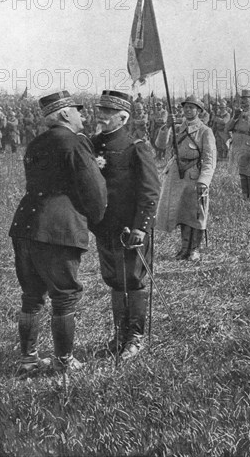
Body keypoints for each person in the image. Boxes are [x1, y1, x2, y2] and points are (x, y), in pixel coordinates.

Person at [9, 91, 107, 374]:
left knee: (31, 294)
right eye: (79, 111)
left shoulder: (36, 143)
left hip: (24, 225)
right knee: (64, 295)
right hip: (57, 229)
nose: (84, 115)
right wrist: (96, 220)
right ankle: (64, 361)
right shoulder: (74, 143)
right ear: (65, 114)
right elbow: (95, 191)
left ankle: (28, 359)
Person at [91, 90, 160, 360]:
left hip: (131, 229)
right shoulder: (93, 144)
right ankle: (119, 335)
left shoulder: (136, 146)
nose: (101, 116)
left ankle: (135, 338)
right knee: (114, 281)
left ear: (123, 117)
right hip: (105, 227)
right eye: (100, 110)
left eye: (107, 113)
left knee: (134, 279)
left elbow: (150, 191)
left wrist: (142, 227)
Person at [155, 95, 216, 261]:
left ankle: (195, 249)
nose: (188, 110)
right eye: (186, 107)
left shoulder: (205, 131)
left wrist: (204, 180)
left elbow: (209, 159)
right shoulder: (177, 128)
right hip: (177, 174)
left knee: (196, 214)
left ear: (198, 110)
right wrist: (166, 127)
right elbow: (160, 145)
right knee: (181, 212)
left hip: (194, 175)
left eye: (192, 107)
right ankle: (184, 248)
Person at [226, 89, 250, 199]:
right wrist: (234, 117)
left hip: (249, 146)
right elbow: (227, 128)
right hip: (238, 146)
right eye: (241, 98)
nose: (242, 101)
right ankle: (244, 196)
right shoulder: (238, 113)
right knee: (242, 172)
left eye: (245, 98)